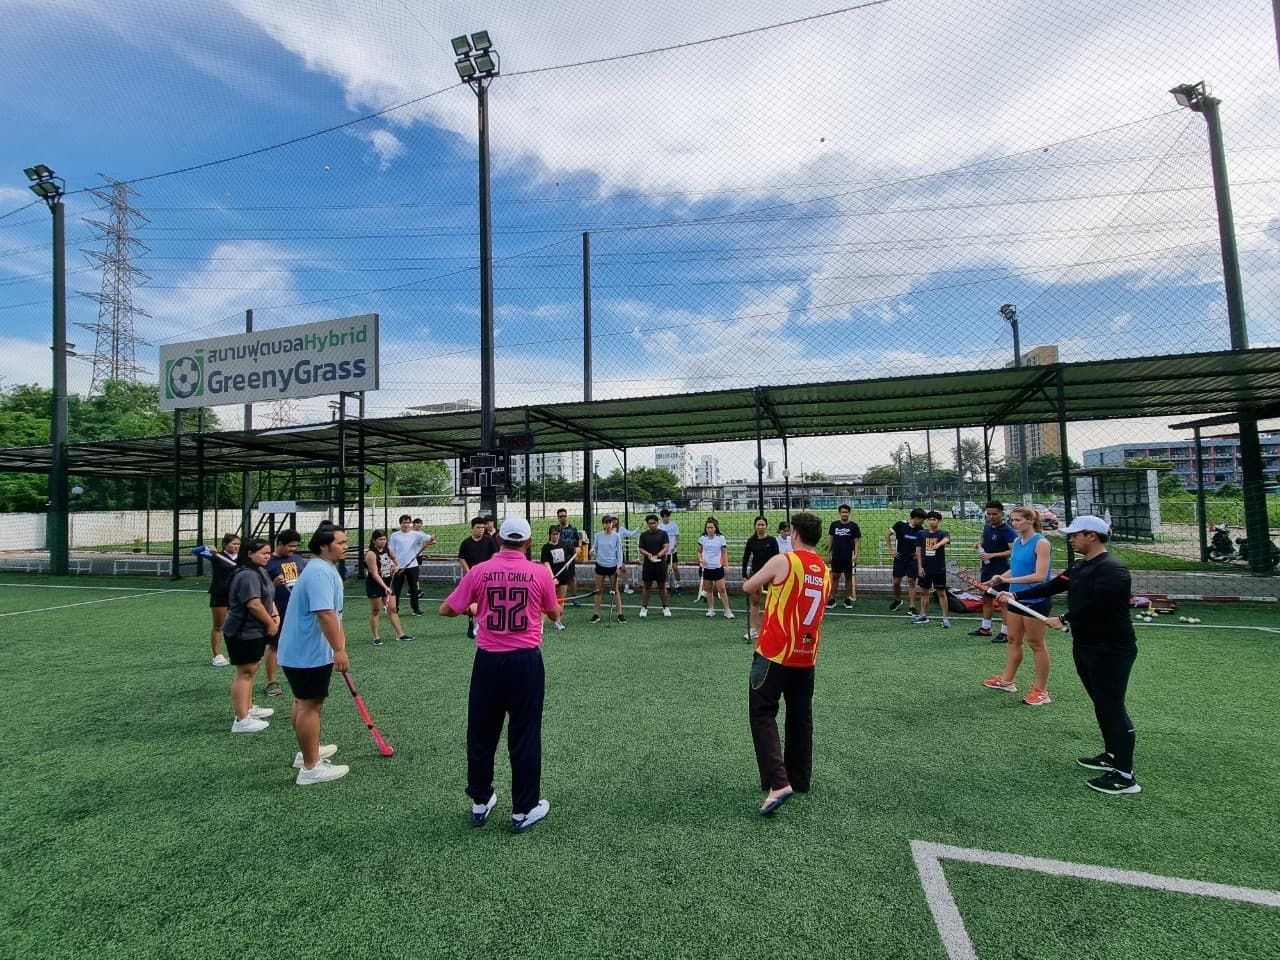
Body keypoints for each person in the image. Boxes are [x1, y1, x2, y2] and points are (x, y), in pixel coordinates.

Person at [999, 516, 1142, 794]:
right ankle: (1112, 755)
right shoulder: (1080, 566)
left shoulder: (1113, 569)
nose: (1071, 539)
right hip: (1086, 645)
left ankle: (1125, 776)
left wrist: (1065, 618)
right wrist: (1018, 597)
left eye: (1075, 535)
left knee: (1112, 707)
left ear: (1091, 536)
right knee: (1101, 704)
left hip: (1111, 649)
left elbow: (1101, 605)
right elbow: (1052, 586)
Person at [439, 517, 561, 832]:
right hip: (525, 662)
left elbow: (447, 609)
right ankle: (524, 809)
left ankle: (481, 800)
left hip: (488, 662)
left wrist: (474, 608)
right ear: (529, 542)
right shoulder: (539, 572)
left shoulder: (479, 571)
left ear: (500, 540)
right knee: (525, 735)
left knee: (481, 733)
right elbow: (554, 611)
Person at [742, 511, 830, 816]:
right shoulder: (824, 569)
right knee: (800, 715)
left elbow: (748, 585)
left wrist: (769, 592)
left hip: (774, 652)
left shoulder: (785, 560)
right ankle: (799, 778)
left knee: (762, 712)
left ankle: (778, 783)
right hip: (807, 656)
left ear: (793, 533)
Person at [278, 524, 351, 785]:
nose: (345, 546)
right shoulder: (320, 572)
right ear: (324, 546)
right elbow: (325, 613)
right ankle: (311, 768)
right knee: (310, 705)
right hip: (307, 653)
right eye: (341, 543)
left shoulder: (321, 568)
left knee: (302, 702)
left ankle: (308, 753)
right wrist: (339, 649)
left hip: (300, 651)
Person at [983, 506, 1054, 706]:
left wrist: (1011, 580)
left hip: (1036, 600)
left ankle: (1041, 691)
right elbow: (1015, 567)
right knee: (1013, 640)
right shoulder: (1017, 541)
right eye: (1012, 520)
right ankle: (1007, 681)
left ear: (1030, 521)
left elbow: (1040, 576)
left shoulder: (1041, 543)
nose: (1014, 523)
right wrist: (1000, 578)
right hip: (1015, 598)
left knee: (1036, 644)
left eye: (1018, 520)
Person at [223, 538, 278, 734]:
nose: (267, 556)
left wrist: (274, 614)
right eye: (263, 552)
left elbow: (267, 596)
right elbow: (253, 603)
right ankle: (241, 719)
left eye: (269, 552)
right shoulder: (247, 575)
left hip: (253, 631)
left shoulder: (259, 571)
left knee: (251, 670)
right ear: (249, 553)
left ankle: (248, 707)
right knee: (245, 672)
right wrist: (270, 623)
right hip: (242, 631)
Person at [263, 529, 306, 697]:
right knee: (275, 645)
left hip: (298, 610)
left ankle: (299, 675)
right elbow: (259, 591)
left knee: (299, 644)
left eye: (295, 546)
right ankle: (271, 681)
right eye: (290, 546)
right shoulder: (268, 562)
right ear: (279, 543)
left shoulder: (297, 559)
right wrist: (273, 584)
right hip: (278, 611)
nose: (293, 550)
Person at [971, 501, 1016, 641]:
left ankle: (1006, 632)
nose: (991, 517)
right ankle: (986, 628)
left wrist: (992, 555)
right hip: (987, 568)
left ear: (1002, 514)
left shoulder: (1007, 530)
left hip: (1002, 571)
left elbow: (1013, 551)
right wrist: (979, 544)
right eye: (988, 514)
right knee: (987, 598)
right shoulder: (987, 527)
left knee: (1003, 601)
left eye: (994, 514)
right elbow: (983, 539)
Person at [365, 530, 414, 646]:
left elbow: (396, 561)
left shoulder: (388, 550)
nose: (383, 542)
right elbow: (375, 574)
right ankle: (376, 637)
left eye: (384, 539)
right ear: (374, 541)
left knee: (392, 609)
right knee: (375, 610)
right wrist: (385, 587)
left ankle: (400, 634)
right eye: (380, 539)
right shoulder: (371, 554)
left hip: (388, 582)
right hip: (375, 584)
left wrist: (396, 567)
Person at [458, 516, 500, 640]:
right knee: (472, 601)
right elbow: (461, 558)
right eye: (478, 528)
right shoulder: (466, 542)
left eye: (483, 527)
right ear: (472, 528)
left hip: (487, 576)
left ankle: (484, 624)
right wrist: (469, 572)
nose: (481, 530)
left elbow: (495, 554)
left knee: (487, 600)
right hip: (472, 576)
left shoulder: (489, 540)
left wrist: (489, 568)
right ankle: (473, 622)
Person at [741, 516, 780, 641]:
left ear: (766, 526)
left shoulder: (772, 541)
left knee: (772, 602)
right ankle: (753, 630)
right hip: (756, 575)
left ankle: (771, 629)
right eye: (758, 525)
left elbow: (777, 559)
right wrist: (744, 575)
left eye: (763, 525)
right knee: (755, 602)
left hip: (770, 575)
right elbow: (745, 558)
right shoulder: (751, 541)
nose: (760, 527)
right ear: (755, 526)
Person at [913, 511, 952, 628]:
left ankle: (945, 618)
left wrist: (938, 544)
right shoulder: (921, 533)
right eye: (930, 519)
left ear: (939, 521)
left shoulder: (943, 533)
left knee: (941, 593)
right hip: (925, 568)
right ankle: (923, 615)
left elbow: (946, 539)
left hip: (939, 568)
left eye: (934, 519)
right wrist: (920, 567)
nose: (932, 521)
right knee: (924, 592)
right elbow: (918, 550)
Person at [388, 514, 433, 617]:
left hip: (413, 566)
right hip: (399, 566)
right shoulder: (395, 536)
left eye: (408, 522)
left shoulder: (415, 534)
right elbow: (391, 551)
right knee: (397, 590)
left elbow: (427, 538)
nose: (406, 524)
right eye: (404, 522)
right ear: (400, 524)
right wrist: (392, 564)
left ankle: (416, 609)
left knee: (414, 589)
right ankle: (395, 608)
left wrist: (431, 539)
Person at [207, 533, 240, 667]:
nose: (236, 546)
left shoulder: (241, 558)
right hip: (220, 594)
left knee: (237, 624)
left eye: (238, 544)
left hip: (236, 595)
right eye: (234, 544)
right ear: (225, 545)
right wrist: (211, 550)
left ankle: (236, 652)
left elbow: (236, 567)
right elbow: (195, 551)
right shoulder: (216, 557)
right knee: (219, 625)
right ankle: (217, 655)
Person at [885, 508, 925, 614]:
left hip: (912, 560)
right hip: (899, 558)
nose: (923, 522)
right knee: (896, 582)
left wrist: (919, 553)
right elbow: (887, 534)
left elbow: (923, 542)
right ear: (916, 518)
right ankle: (898, 600)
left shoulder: (920, 528)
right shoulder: (900, 525)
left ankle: (912, 607)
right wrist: (891, 550)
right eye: (922, 519)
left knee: (912, 581)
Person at [590, 515, 627, 623]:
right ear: (603, 524)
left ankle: (620, 614)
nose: (608, 525)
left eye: (610, 522)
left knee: (615, 591)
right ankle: (596, 614)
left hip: (612, 567)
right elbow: (594, 547)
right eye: (606, 523)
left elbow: (619, 553)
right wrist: (592, 550)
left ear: (612, 524)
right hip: (600, 566)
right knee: (598, 591)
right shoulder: (598, 535)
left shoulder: (616, 536)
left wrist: (619, 567)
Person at [636, 513, 672, 619]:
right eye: (650, 523)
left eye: (654, 523)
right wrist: (648, 555)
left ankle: (665, 607)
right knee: (647, 586)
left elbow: (666, 547)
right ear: (647, 524)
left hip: (661, 564)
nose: (652, 525)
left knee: (662, 586)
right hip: (648, 564)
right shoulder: (643, 535)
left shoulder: (663, 534)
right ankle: (644, 608)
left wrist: (658, 556)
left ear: (657, 523)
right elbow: (641, 548)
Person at [698, 517, 734, 619]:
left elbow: (724, 552)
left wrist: (726, 565)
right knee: (708, 590)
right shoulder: (702, 538)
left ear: (715, 528)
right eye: (708, 527)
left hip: (717, 567)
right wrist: (700, 559)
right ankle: (711, 609)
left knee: (722, 589)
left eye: (712, 527)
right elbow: (699, 551)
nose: (710, 529)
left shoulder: (721, 538)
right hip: (706, 568)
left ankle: (727, 610)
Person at [826, 504, 861, 608]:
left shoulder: (854, 526)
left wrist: (856, 554)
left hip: (848, 557)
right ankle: (832, 599)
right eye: (842, 512)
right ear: (839, 513)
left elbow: (856, 541)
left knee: (849, 578)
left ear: (849, 513)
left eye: (846, 512)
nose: (844, 514)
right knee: (835, 577)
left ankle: (847, 599)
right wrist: (829, 552)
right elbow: (831, 539)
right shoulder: (834, 525)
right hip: (836, 556)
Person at [539, 525, 572, 631]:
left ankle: (558, 621)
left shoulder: (563, 545)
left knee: (561, 599)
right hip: (551, 578)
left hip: (563, 576)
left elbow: (572, 551)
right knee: (547, 600)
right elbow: (546, 563)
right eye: (553, 534)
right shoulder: (546, 548)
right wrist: (552, 577)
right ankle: (541, 624)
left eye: (557, 534)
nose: (555, 536)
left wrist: (577, 549)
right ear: (550, 535)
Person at [554, 509, 583, 606]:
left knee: (572, 577)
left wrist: (578, 547)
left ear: (567, 516)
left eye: (564, 516)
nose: (563, 518)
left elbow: (578, 539)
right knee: (557, 577)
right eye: (560, 516)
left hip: (570, 557)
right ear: (558, 518)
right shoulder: (556, 529)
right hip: (558, 556)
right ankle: (555, 597)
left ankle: (574, 597)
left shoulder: (573, 528)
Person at [658, 508, 682, 595]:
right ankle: (667, 585)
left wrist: (675, 544)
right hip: (664, 551)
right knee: (665, 569)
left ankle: (678, 584)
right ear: (661, 517)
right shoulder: (660, 527)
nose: (665, 518)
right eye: (664, 517)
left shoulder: (674, 525)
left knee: (675, 568)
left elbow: (677, 536)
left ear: (669, 516)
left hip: (672, 550)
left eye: (667, 516)